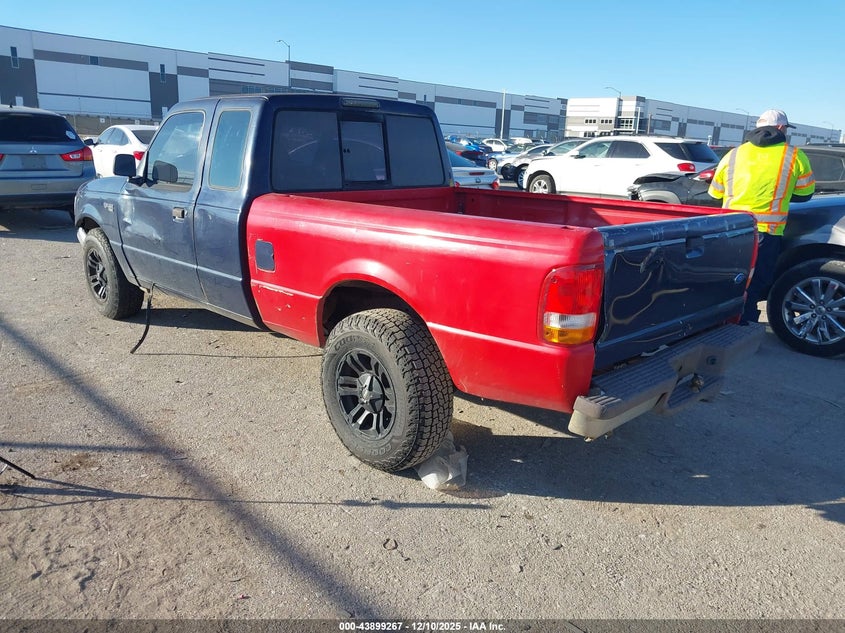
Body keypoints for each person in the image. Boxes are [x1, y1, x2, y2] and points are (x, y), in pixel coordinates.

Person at [708, 109, 815, 324]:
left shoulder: (734, 154)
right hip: (767, 232)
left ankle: (722, 320)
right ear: (780, 128)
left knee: (729, 278)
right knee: (756, 280)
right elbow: (805, 194)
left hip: (733, 229)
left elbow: (715, 193)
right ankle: (745, 320)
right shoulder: (794, 155)